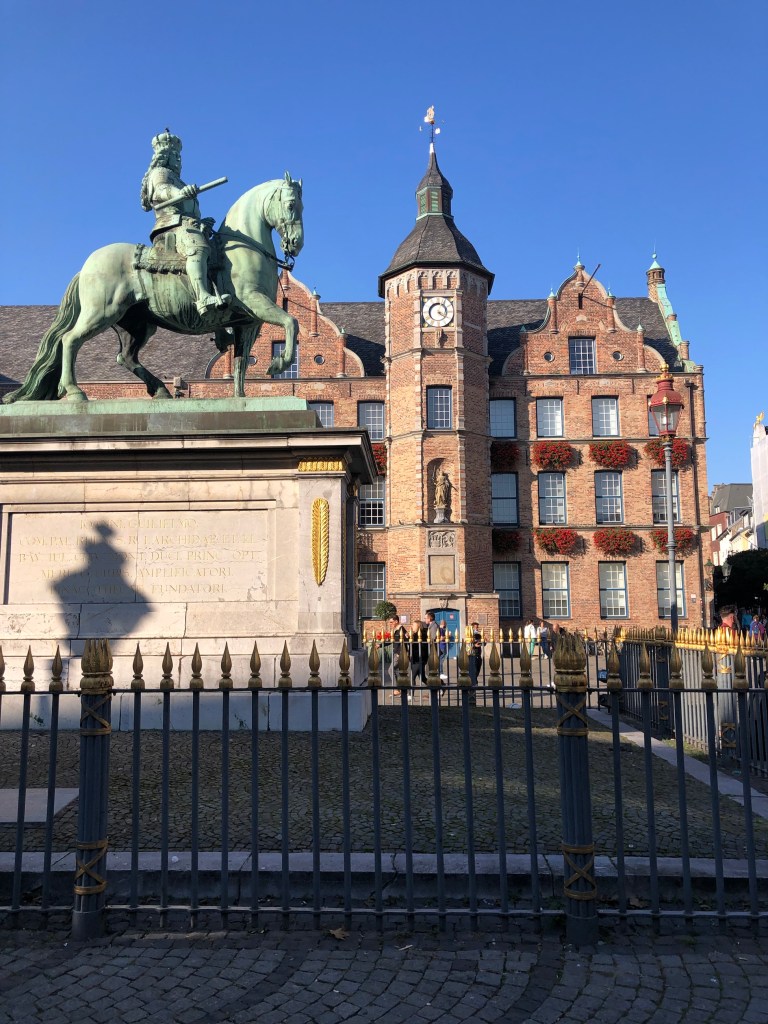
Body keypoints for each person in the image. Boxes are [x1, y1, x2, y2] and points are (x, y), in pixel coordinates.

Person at [140, 129, 231, 317]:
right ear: (165, 156)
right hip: (171, 225)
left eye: (179, 157)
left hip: (187, 225)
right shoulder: (160, 172)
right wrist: (179, 193)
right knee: (198, 248)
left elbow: (189, 211)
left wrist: (202, 222)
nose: (179, 160)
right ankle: (203, 298)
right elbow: (161, 190)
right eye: (175, 156)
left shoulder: (179, 180)